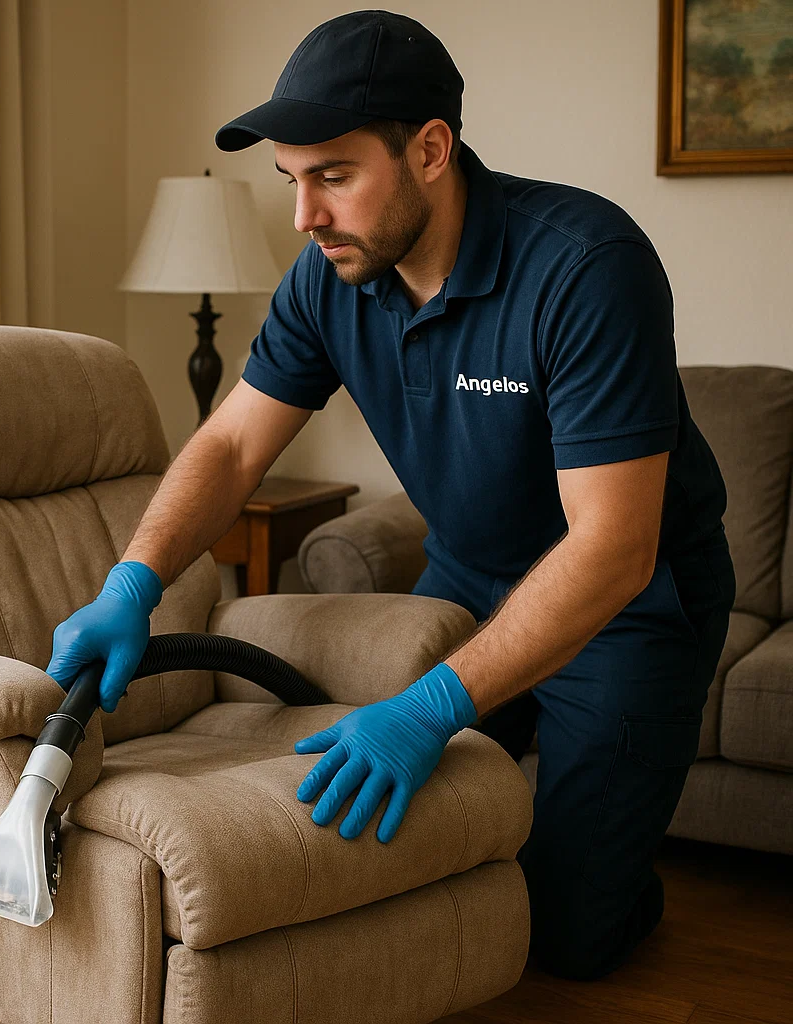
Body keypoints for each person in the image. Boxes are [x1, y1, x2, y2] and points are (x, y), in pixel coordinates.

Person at [45, 10, 736, 982]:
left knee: (568, 932)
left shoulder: (583, 267)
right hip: (467, 577)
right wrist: (133, 579)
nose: (304, 216)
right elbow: (236, 440)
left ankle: (613, 864)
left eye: (331, 175)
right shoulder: (327, 278)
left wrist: (430, 706)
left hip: (629, 604)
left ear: (429, 149)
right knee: (393, 849)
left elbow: (612, 550)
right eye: (291, 179)